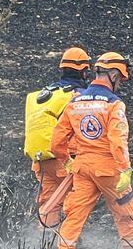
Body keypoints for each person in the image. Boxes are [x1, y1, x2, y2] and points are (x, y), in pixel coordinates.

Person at [50, 51, 133, 249]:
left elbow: (57, 140)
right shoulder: (114, 104)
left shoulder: (75, 101)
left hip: (82, 168)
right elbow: (118, 141)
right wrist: (125, 169)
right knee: (126, 212)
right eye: (120, 79)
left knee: (74, 213)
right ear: (113, 74)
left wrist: (66, 161)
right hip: (109, 169)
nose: (119, 83)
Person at [24, 47, 92, 225]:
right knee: (73, 200)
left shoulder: (45, 94)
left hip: (41, 159)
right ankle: (67, 242)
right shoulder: (78, 95)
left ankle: (46, 240)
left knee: (49, 201)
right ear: (84, 72)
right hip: (65, 159)